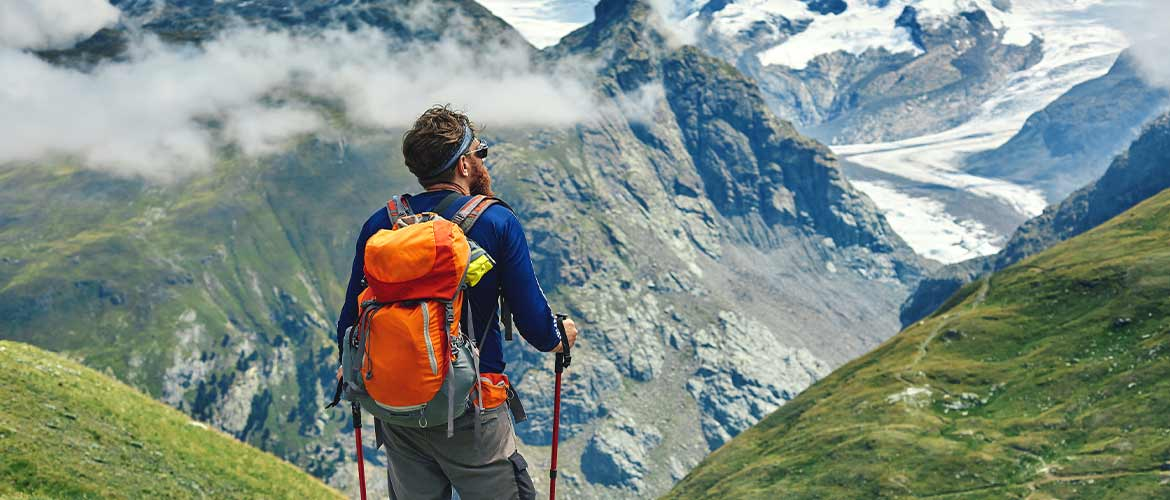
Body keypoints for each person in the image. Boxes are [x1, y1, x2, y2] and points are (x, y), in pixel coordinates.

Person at [335, 105, 578, 500]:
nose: (482, 162)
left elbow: (349, 323)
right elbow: (535, 325)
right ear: (464, 164)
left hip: (399, 410)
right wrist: (561, 335)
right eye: (480, 153)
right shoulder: (497, 223)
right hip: (474, 410)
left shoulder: (381, 224)